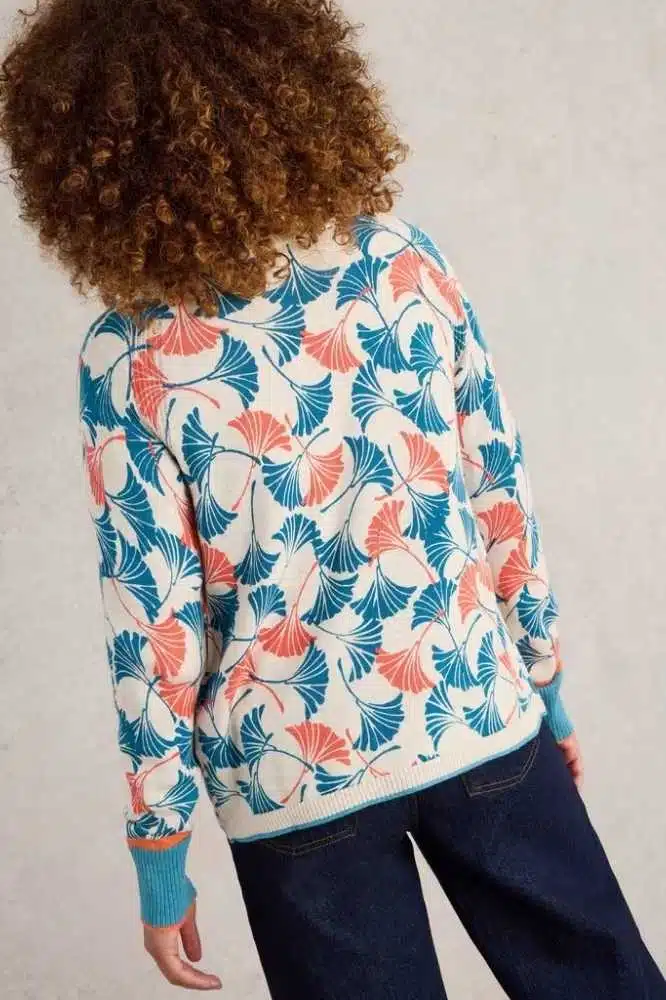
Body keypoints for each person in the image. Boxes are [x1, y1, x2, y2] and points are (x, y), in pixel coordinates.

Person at [1, 1, 664, 997]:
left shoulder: (130, 357)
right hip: (473, 711)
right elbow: (500, 491)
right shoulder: (405, 262)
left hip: (293, 786)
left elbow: (152, 630)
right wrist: (542, 676)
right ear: (295, 85)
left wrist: (160, 846)